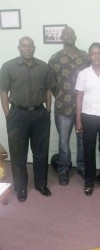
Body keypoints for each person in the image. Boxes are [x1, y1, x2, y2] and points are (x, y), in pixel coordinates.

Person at [0, 36, 53, 202]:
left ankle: (41, 184)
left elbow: (48, 90)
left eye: (30, 45)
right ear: (19, 48)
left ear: (34, 48)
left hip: (39, 114)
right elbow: (3, 91)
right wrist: (8, 114)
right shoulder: (8, 67)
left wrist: (48, 110)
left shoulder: (44, 67)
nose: (27, 48)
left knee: (41, 152)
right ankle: (21, 188)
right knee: (18, 154)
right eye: (24, 46)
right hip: (17, 115)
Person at [49, 26, 90, 186]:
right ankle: (64, 169)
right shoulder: (54, 58)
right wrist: (62, 95)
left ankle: (82, 167)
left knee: (82, 140)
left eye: (71, 33)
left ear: (75, 36)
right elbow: (51, 84)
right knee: (64, 142)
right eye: (65, 34)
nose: (68, 36)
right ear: (61, 38)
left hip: (84, 107)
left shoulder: (85, 57)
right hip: (63, 108)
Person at [75, 42, 100, 196]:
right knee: (88, 150)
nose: (96, 56)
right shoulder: (83, 74)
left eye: (99, 53)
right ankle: (89, 181)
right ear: (89, 56)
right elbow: (79, 98)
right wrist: (78, 120)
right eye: (93, 53)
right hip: (88, 116)